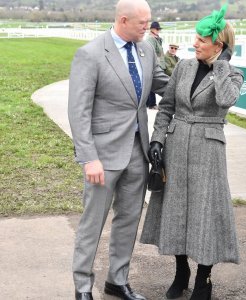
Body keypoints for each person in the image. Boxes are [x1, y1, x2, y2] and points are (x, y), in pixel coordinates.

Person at [140, 4, 244, 300]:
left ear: (218, 45)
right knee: (177, 211)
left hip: (208, 151)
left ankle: (204, 278)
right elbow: (167, 106)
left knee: (205, 213)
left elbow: (225, 100)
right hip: (176, 144)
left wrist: (221, 64)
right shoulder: (184, 66)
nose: (194, 43)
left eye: (201, 40)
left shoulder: (233, 74)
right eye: (195, 38)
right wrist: (158, 140)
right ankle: (181, 271)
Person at [68, 0, 169, 299]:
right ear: (123, 20)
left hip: (137, 152)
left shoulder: (146, 49)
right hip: (102, 157)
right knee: (92, 223)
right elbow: (78, 111)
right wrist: (89, 158)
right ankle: (83, 287)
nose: (148, 27)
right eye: (143, 22)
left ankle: (117, 280)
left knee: (128, 219)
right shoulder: (90, 54)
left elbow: (164, 82)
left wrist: (203, 76)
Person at [146, 21, 166, 110]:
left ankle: (149, 103)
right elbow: (152, 52)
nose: (158, 31)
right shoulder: (151, 39)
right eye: (157, 29)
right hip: (154, 64)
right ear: (152, 29)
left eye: (159, 29)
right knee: (153, 84)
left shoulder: (156, 39)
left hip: (159, 63)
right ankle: (151, 104)